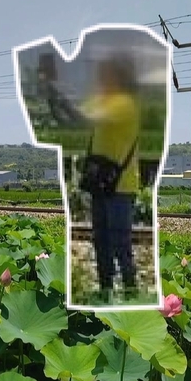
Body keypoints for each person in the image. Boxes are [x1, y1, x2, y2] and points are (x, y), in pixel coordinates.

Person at [79, 55, 140, 303]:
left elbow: (88, 116)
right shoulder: (103, 100)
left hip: (121, 186)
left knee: (119, 242)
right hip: (101, 184)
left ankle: (130, 291)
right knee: (101, 239)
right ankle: (106, 289)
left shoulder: (123, 103)